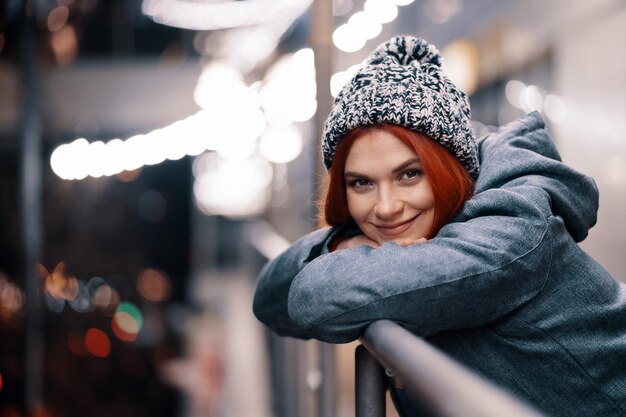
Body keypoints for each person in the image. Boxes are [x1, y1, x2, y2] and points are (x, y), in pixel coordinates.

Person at [253, 36, 626, 416]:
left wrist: (357, 258)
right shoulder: (434, 229)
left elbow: (312, 298)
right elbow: (268, 297)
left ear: (451, 169)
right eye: (361, 182)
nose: (386, 208)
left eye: (410, 174)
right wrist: (343, 246)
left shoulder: (514, 230)